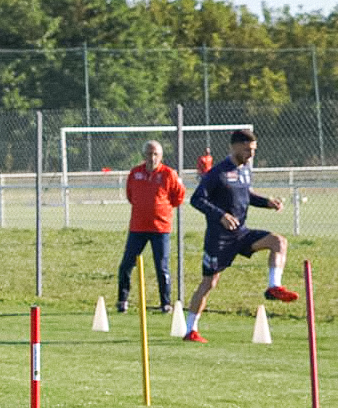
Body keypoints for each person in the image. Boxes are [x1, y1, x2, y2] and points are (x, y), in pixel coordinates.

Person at [181, 129, 296, 343]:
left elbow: (245, 194)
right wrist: (220, 215)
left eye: (253, 150)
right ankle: (190, 330)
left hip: (241, 234)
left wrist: (266, 202)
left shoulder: (245, 170)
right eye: (246, 150)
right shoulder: (217, 172)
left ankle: (273, 287)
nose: (250, 154)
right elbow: (197, 199)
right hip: (219, 239)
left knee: (278, 241)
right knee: (209, 283)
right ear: (233, 147)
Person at [115, 140, 185, 314]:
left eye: (155, 154)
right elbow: (131, 195)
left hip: (160, 229)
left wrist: (161, 210)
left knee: (161, 267)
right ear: (144, 155)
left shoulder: (169, 174)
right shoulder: (135, 173)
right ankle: (122, 301)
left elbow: (178, 197)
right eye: (149, 154)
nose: (152, 157)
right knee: (126, 265)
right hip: (137, 228)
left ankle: (165, 303)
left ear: (161, 156)